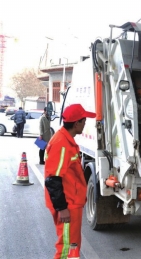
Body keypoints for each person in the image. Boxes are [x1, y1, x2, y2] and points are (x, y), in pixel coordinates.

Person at [44, 104, 95, 259]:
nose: (85, 123)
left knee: (72, 246)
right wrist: (62, 208)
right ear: (76, 123)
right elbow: (52, 179)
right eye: (84, 120)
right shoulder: (62, 144)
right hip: (68, 204)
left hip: (71, 202)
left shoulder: (65, 140)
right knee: (66, 247)